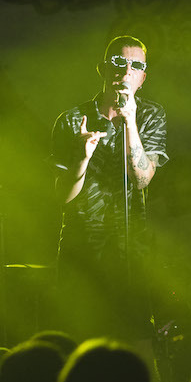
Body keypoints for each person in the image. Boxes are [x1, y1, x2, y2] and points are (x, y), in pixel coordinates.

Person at [51, 35, 168, 341]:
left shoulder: (151, 115)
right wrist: (81, 158)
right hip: (83, 250)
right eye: (118, 62)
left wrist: (130, 121)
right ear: (103, 69)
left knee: (135, 342)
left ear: (143, 77)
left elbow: (142, 178)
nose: (125, 70)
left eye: (136, 65)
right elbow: (62, 196)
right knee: (78, 341)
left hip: (132, 250)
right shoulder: (73, 119)